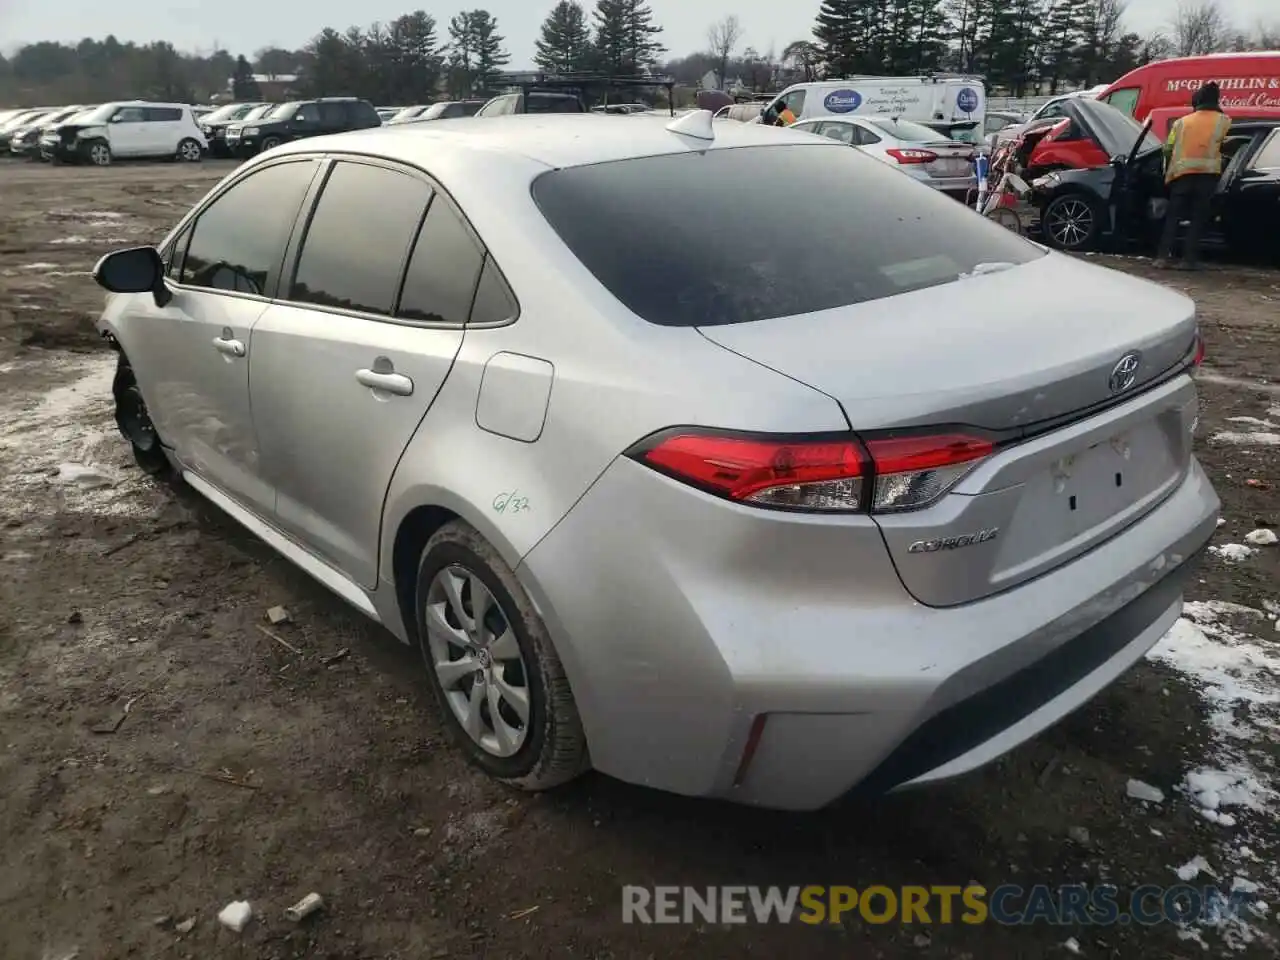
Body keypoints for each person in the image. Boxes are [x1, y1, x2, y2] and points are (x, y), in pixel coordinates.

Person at [1155, 81, 1231, 270]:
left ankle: (1163, 257)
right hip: (1207, 176)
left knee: (1173, 217)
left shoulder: (1182, 122)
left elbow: (1167, 149)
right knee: (1198, 218)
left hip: (1181, 176)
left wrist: (1168, 169)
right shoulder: (1224, 121)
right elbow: (1227, 146)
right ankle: (1188, 260)